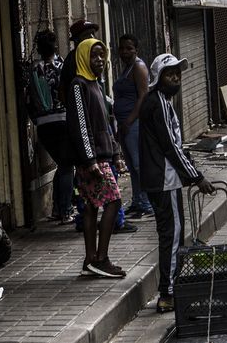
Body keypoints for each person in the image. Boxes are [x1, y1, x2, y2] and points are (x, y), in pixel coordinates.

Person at [139, 54, 215, 313]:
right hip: (164, 179)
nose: (176, 78)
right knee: (171, 235)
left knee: (174, 232)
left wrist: (192, 170)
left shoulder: (163, 102)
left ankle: (173, 287)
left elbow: (176, 145)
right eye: (170, 73)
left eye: (178, 73)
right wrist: (196, 176)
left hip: (165, 177)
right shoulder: (157, 102)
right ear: (158, 78)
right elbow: (170, 146)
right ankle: (168, 292)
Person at [67, 38, 126, 278]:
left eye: (102, 55)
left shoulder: (96, 85)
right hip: (91, 161)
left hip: (101, 156)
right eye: (94, 56)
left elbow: (106, 124)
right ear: (83, 58)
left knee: (91, 208)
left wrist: (116, 153)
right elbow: (81, 125)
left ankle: (90, 260)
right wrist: (90, 160)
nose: (100, 60)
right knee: (113, 201)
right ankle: (101, 258)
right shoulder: (78, 86)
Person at [27, 30, 75, 223]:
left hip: (44, 125)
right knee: (66, 165)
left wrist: (37, 119)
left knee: (61, 165)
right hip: (63, 121)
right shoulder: (63, 66)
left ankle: (57, 208)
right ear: (55, 46)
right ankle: (65, 210)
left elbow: (28, 100)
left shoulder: (34, 69)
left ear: (38, 48)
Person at [113, 35, 152, 220]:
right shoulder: (126, 69)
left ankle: (147, 202)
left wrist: (129, 121)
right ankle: (138, 201)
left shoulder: (138, 67)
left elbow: (143, 96)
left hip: (134, 124)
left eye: (129, 48)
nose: (125, 52)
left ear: (136, 49)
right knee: (132, 165)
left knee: (138, 164)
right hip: (125, 124)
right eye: (122, 49)